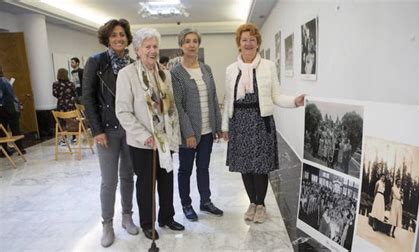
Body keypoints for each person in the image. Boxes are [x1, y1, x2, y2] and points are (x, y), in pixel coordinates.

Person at [222, 23, 305, 223]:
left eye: (252, 39)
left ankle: (261, 205)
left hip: (261, 122)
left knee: (260, 166)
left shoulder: (268, 66)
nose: (248, 43)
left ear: (258, 43)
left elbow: (276, 96)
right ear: (239, 44)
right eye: (244, 40)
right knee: (244, 166)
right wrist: (225, 127)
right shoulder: (231, 69)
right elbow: (227, 99)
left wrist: (294, 101)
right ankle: (252, 203)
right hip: (239, 123)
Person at [116, 27, 185, 240]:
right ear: (137, 49)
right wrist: (146, 136)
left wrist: (171, 133)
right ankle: (148, 222)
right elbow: (123, 112)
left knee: (166, 180)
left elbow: (170, 106)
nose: (152, 50)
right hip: (143, 142)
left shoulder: (164, 73)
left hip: (165, 139)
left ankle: (167, 216)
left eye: (155, 46)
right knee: (146, 184)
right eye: (147, 46)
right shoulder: (127, 74)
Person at [82, 18, 138, 247]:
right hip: (107, 130)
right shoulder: (96, 62)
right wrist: (96, 130)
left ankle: (127, 216)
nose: (118, 38)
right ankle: (107, 224)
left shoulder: (133, 64)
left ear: (127, 38)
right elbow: (88, 97)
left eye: (122, 35)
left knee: (128, 176)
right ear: (107, 38)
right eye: (114, 35)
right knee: (109, 180)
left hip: (130, 130)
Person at [171, 28, 224, 221]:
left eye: (195, 41)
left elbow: (213, 98)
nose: (192, 44)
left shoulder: (206, 68)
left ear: (198, 44)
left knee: (204, 168)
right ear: (181, 46)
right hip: (189, 133)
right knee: (185, 170)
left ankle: (205, 201)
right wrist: (189, 133)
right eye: (187, 41)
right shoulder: (176, 72)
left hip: (208, 131)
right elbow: (178, 106)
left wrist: (217, 126)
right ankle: (186, 204)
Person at [0, 65, 25, 156]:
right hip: (10, 107)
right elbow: (11, 95)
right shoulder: (5, 81)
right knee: (15, 128)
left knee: (2, 130)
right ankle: (20, 149)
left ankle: (3, 151)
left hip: (1, 109)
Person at [52, 68, 77, 145]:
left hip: (61, 105)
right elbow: (74, 94)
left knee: (62, 122)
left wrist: (61, 97)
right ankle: (74, 138)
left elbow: (55, 94)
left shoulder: (55, 84)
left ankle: (64, 139)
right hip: (71, 105)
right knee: (72, 120)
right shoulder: (71, 84)